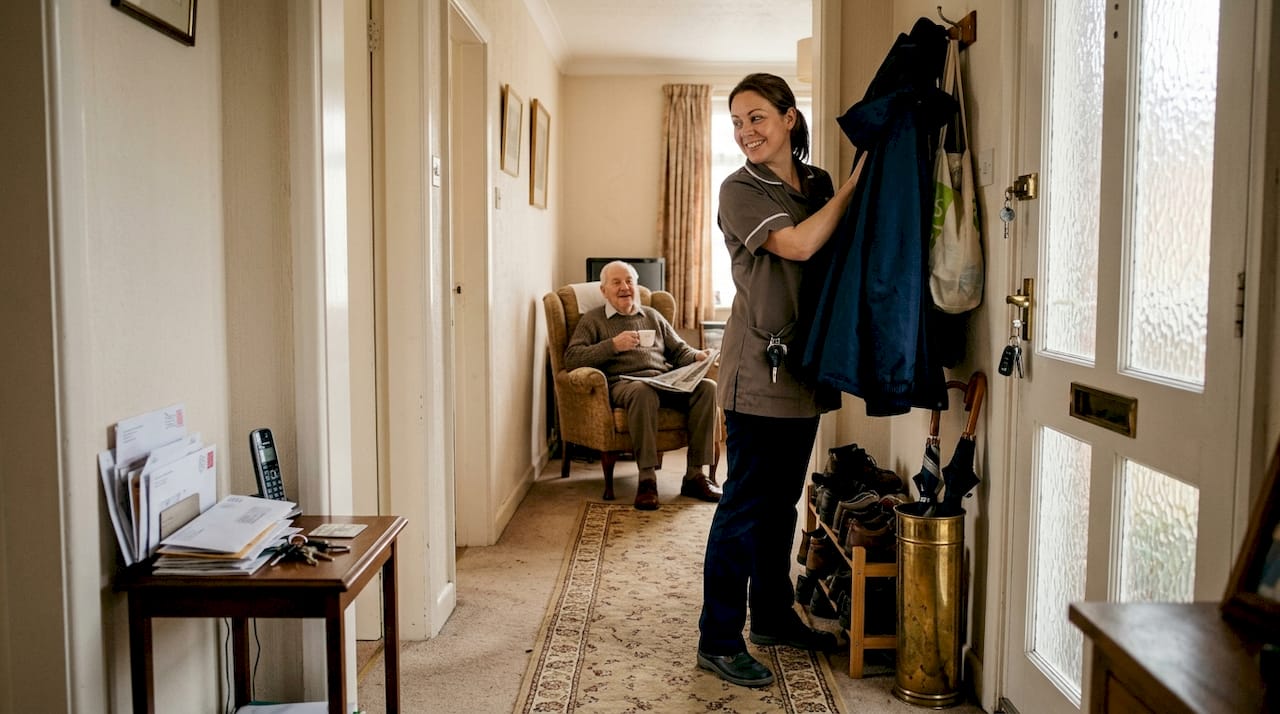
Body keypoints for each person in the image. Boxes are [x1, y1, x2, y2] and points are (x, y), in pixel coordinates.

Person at [696, 73, 867, 688]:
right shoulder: (739, 188)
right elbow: (797, 245)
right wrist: (854, 187)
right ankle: (718, 640)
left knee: (782, 504)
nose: (746, 131)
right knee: (743, 508)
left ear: (789, 118)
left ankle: (770, 615)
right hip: (757, 372)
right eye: (737, 122)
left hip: (806, 368)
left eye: (757, 118)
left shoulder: (815, 182)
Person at [563, 260, 721, 510]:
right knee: (642, 392)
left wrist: (698, 356)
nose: (625, 287)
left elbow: (679, 350)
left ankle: (694, 475)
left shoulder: (652, 315)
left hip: (663, 380)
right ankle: (647, 479)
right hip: (626, 384)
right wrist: (613, 345)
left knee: (707, 388)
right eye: (616, 282)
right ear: (604, 291)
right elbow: (572, 359)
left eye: (629, 281)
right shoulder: (593, 320)